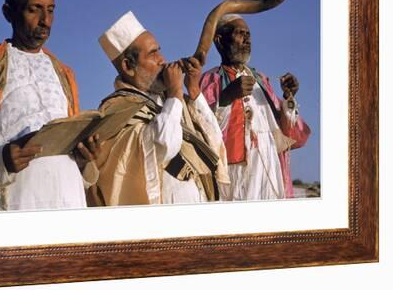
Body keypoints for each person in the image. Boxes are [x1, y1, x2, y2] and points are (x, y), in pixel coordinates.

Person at [89, 11, 229, 207]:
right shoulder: (116, 110)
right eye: (153, 54)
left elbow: (214, 138)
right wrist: (174, 93)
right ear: (128, 66)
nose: (162, 59)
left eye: (159, 51)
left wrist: (194, 90)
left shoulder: (170, 101)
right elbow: (163, 145)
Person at [0, 0, 98, 211]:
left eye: (50, 11)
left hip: (69, 199)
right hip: (19, 202)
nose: (45, 21)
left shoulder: (64, 73)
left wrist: (84, 157)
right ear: (8, 13)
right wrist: (1, 161)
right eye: (34, 10)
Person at [200, 14, 311, 200]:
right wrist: (226, 97)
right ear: (219, 41)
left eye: (248, 34)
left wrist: (288, 97)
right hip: (236, 172)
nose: (247, 39)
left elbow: (286, 133)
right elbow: (201, 128)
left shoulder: (262, 80)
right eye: (239, 33)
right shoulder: (211, 80)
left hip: (270, 166)